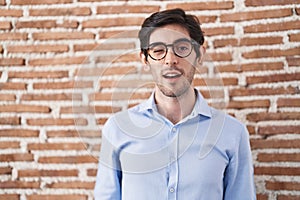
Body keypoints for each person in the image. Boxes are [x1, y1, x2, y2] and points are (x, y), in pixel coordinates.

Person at [94, 8, 256, 200]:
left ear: (199, 54)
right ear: (144, 59)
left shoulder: (232, 133)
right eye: (158, 51)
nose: (170, 60)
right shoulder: (117, 129)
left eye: (182, 48)